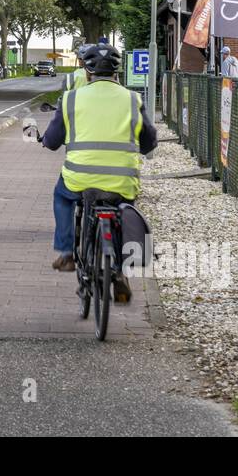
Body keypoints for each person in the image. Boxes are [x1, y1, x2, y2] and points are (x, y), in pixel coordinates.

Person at [38, 43, 157, 290]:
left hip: (79, 178)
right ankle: (121, 269)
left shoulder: (71, 98)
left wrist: (49, 142)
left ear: (87, 71)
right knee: (123, 207)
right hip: (122, 180)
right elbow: (149, 141)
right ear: (117, 72)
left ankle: (66, 253)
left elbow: (52, 140)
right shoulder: (133, 99)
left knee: (62, 197)